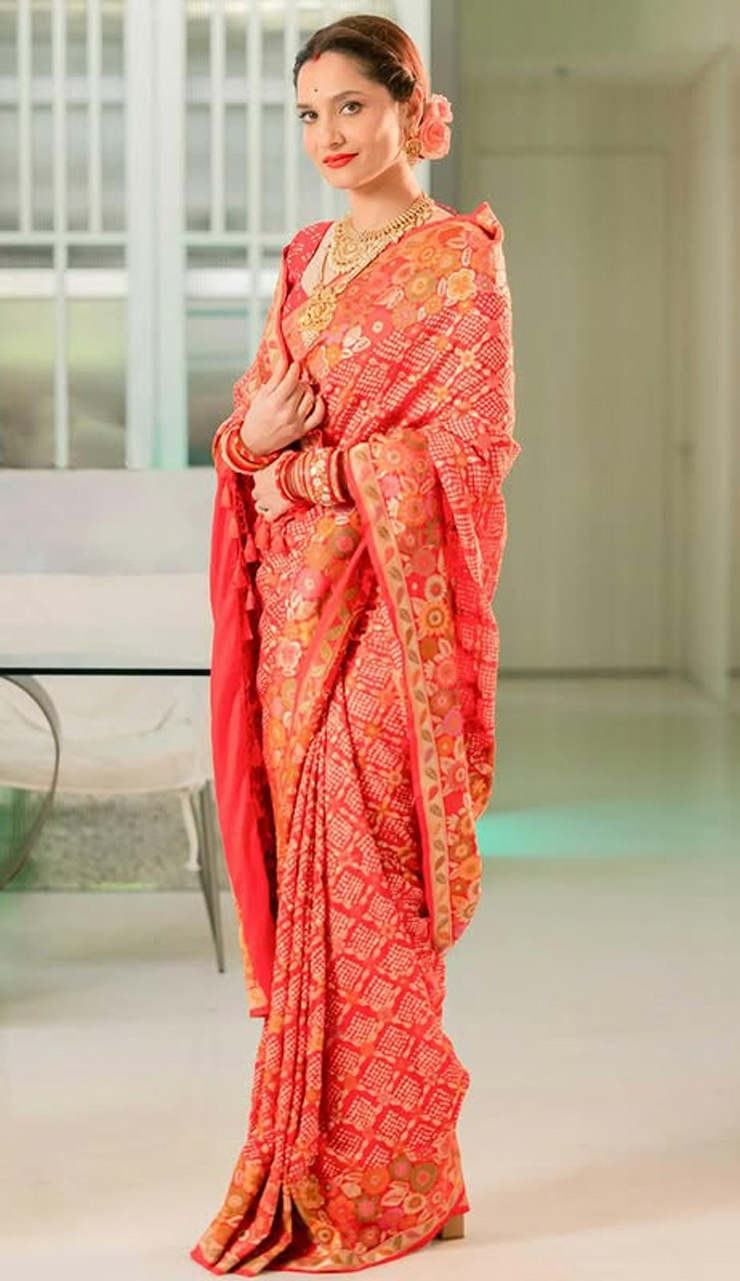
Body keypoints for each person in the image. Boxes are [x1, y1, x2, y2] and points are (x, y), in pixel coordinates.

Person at [191, 14, 519, 1276]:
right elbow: (244, 432)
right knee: (314, 886)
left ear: (408, 110)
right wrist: (258, 449)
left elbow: (468, 452)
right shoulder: (305, 258)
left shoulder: (456, 264)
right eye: (308, 115)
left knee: (366, 884)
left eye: (350, 109)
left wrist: (309, 472)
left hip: (388, 617)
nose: (328, 136)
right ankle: (394, 1173)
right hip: (293, 617)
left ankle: (394, 1171)